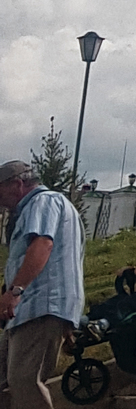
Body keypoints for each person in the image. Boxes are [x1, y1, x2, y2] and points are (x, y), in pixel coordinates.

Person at [0, 160, 84, 409]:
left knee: (25, 379)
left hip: (41, 305)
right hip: (27, 310)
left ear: (18, 184)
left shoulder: (43, 201)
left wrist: (15, 291)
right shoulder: (33, 208)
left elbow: (42, 245)